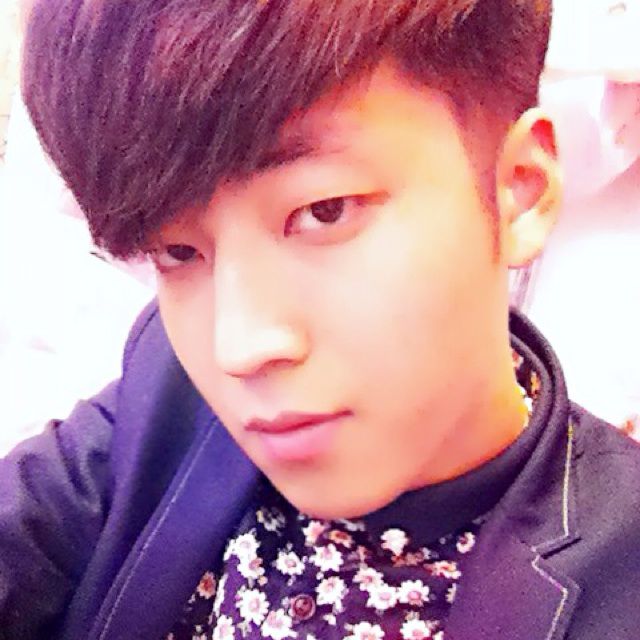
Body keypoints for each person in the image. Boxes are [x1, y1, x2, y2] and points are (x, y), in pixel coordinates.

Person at [2, 1, 640, 638]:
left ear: (519, 189)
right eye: (177, 252)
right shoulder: (167, 387)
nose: (239, 346)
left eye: (324, 211)